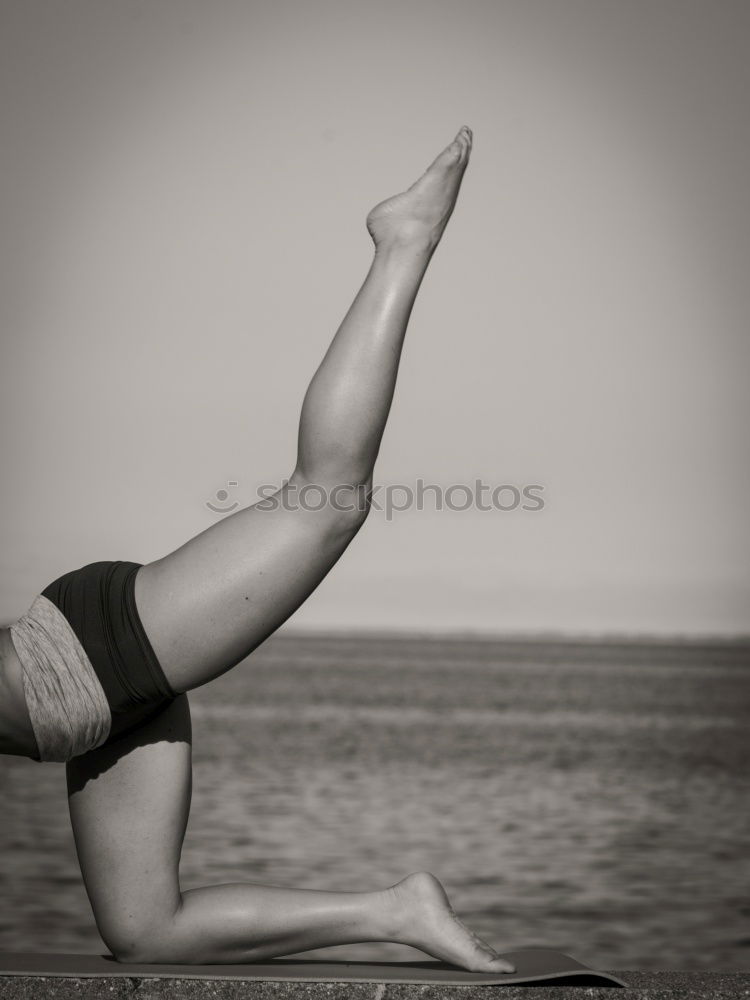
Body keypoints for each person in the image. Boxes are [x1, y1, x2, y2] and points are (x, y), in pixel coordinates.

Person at [0, 127, 516, 974]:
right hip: (95, 714)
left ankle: (402, 244)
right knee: (144, 933)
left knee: (327, 501)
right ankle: (396, 912)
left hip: (82, 656)